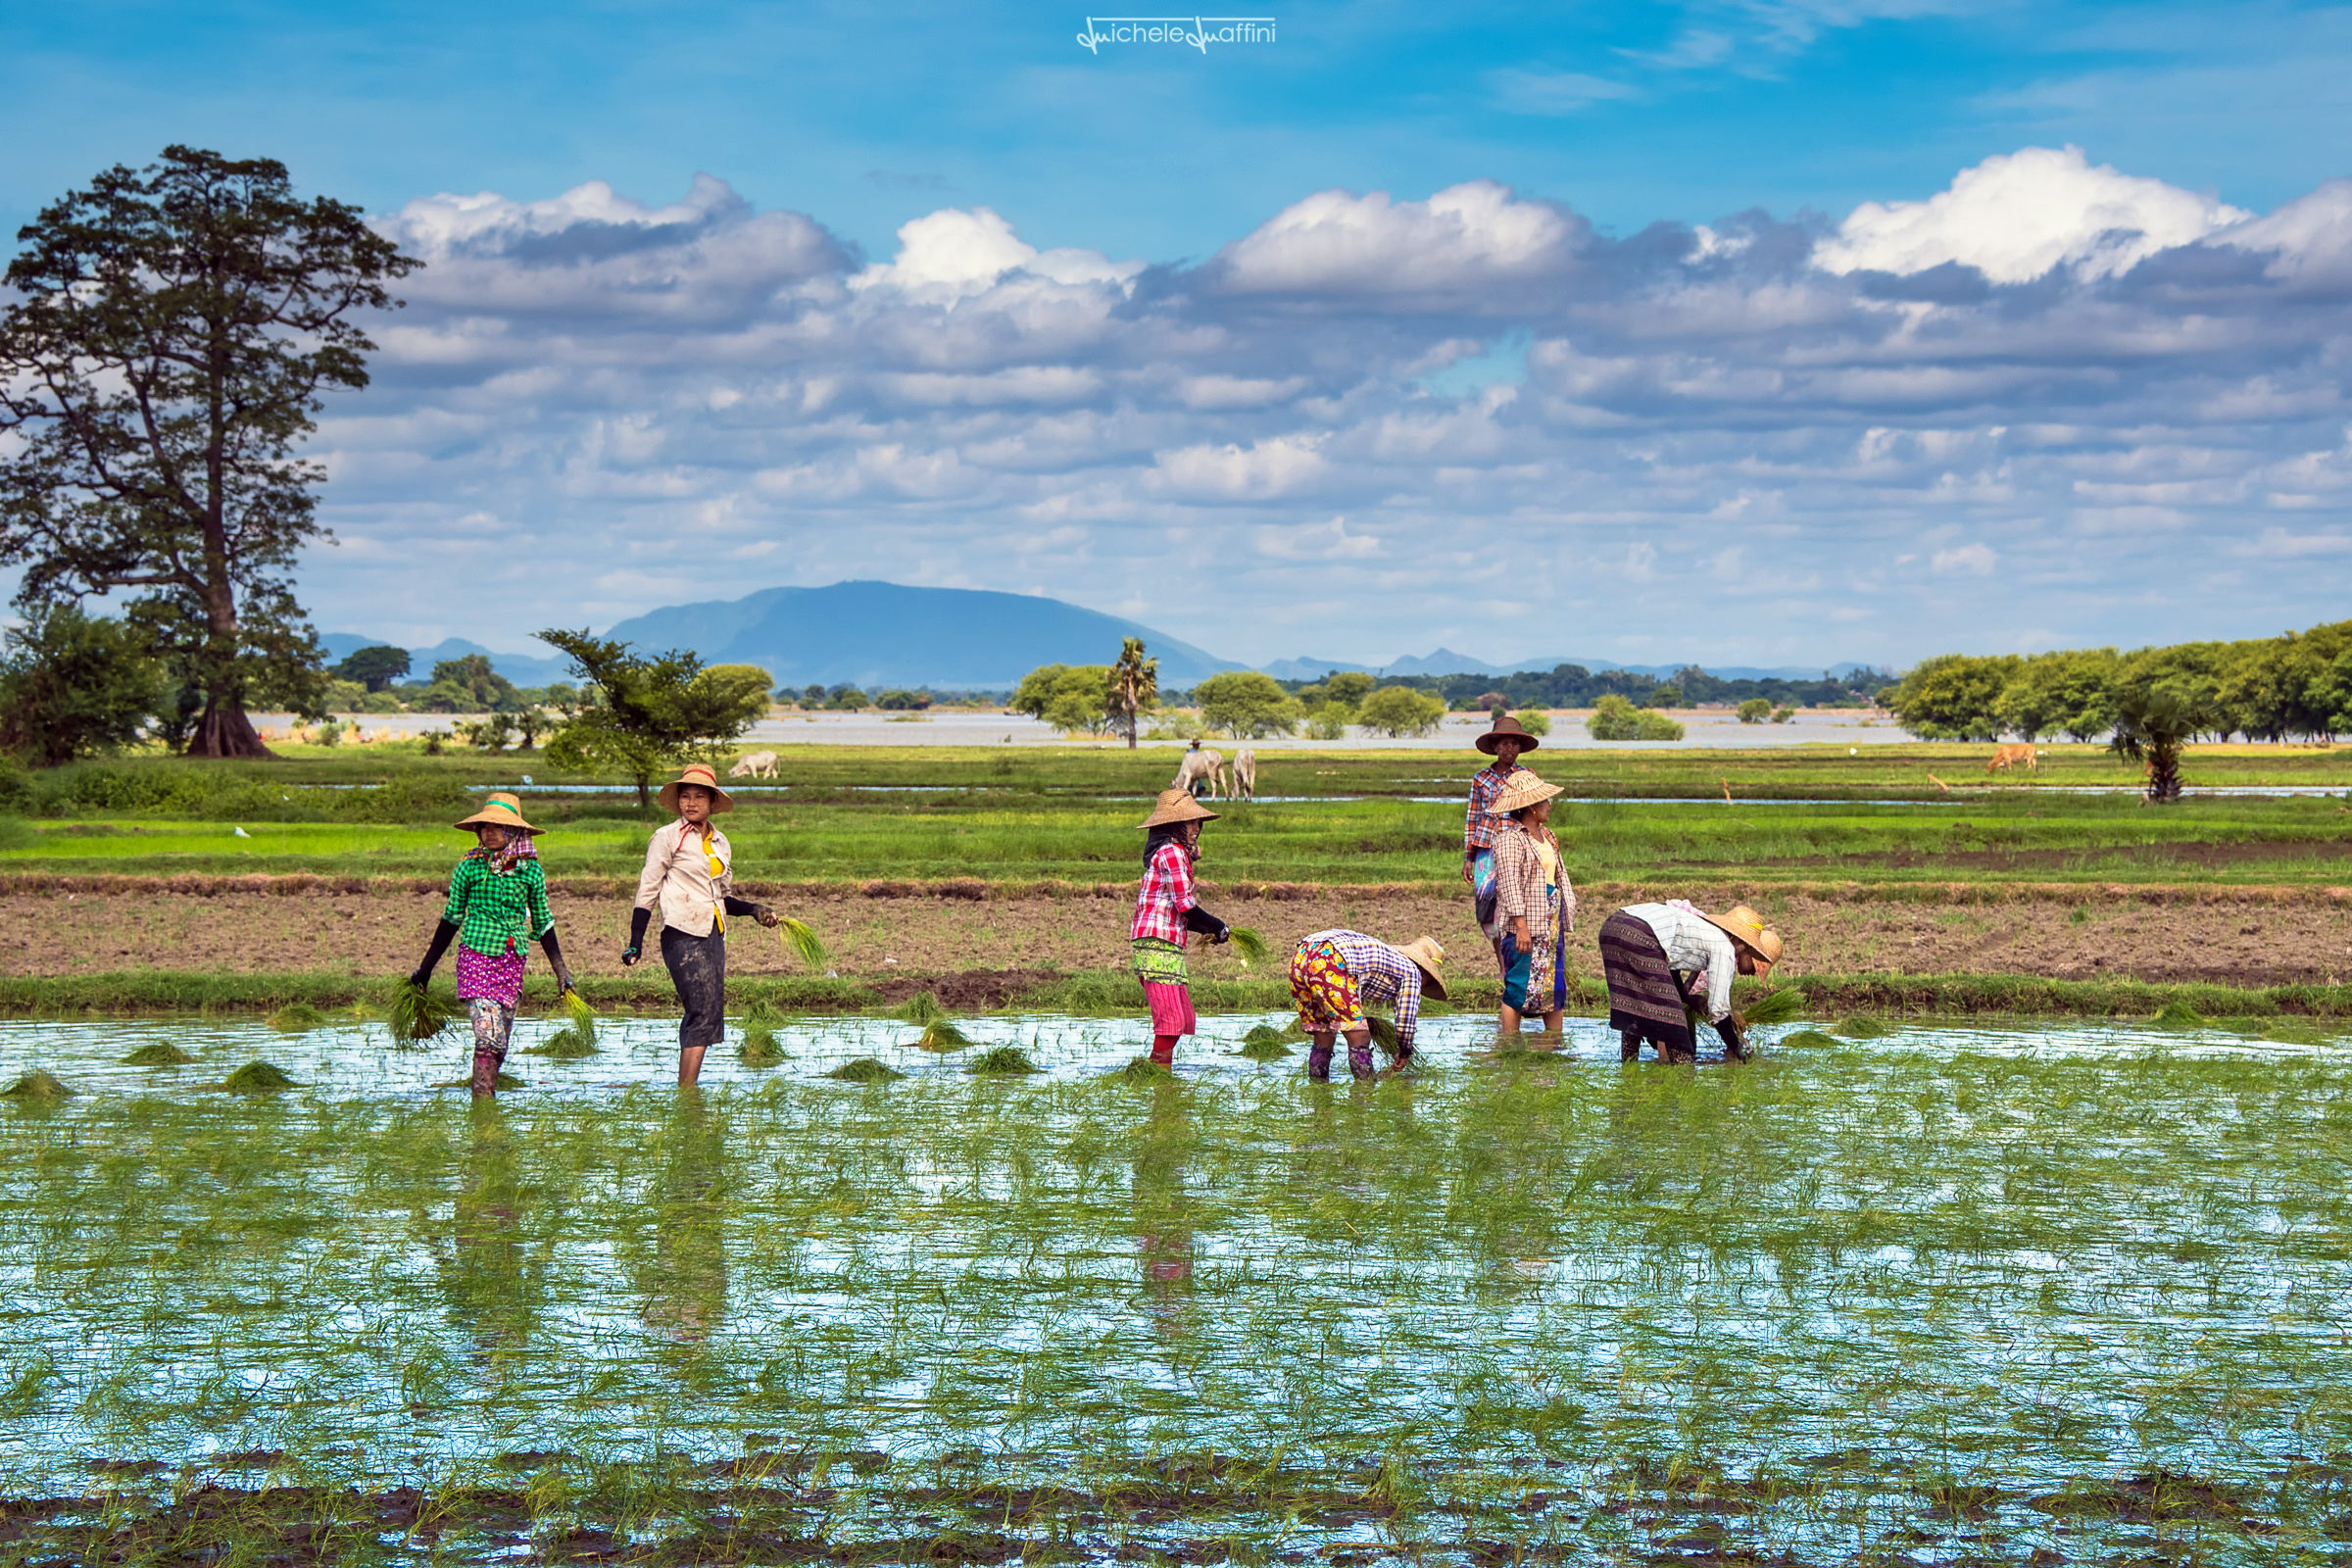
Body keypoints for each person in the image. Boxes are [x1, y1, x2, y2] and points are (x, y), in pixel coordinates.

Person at [623, 762, 782, 1086]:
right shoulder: (666, 838)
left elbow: (722, 897)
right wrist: (635, 940)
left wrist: (755, 910)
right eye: (685, 797)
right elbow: (648, 889)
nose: (691, 803)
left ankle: (688, 1087)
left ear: (712, 803)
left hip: (713, 933)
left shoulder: (720, 843)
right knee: (700, 1009)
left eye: (698, 797)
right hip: (682, 934)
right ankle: (687, 1090)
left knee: (710, 1010)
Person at [409, 792, 575, 1098]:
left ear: (514, 832)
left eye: (498, 827)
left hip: (511, 962)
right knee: (488, 1038)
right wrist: (426, 969)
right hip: (475, 957)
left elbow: (543, 922)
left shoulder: (530, 871)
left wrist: (560, 970)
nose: (490, 832)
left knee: (500, 1044)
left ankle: (486, 1103)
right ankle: (483, 1105)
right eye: (485, 826)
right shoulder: (469, 867)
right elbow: (451, 920)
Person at [1598, 900, 1783, 1064]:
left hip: (1614, 925)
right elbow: (1718, 1012)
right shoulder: (1723, 947)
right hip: (1640, 934)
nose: (1747, 952)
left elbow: (1671, 969)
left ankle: (1628, 1070)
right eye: (1749, 949)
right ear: (1740, 941)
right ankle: (1683, 1074)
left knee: (1634, 1006)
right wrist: (1738, 1048)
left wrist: (1688, 998)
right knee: (1673, 1022)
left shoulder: (1702, 930)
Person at [1131, 786, 1232, 1069]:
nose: (1196, 828)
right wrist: (1218, 925)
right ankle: (1158, 1079)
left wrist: (1210, 930)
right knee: (1170, 1021)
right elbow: (1185, 905)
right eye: (1190, 822)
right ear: (1173, 824)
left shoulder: (1177, 853)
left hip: (1169, 942)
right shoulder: (1171, 853)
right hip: (1156, 942)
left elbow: (1181, 910)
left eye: (1197, 822)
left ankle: (1156, 1073)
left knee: (1183, 1018)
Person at [1287, 930, 1448, 1081]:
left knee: (1324, 1036)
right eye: (1429, 980)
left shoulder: (1391, 960)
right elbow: (1406, 1018)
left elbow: (1348, 999)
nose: (1423, 987)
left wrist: (1368, 1021)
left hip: (1301, 958)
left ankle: (1319, 1095)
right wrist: (1405, 1050)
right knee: (1360, 1037)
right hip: (1330, 959)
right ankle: (1364, 1097)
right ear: (1425, 971)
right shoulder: (1413, 973)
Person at [1486, 770, 1575, 1043]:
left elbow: (1558, 876)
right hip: (1525, 921)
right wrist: (1521, 928)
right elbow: (1510, 886)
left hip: (1550, 919)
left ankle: (1553, 1043)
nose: (1550, 805)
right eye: (1545, 801)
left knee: (1553, 983)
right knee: (1518, 984)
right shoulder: (1508, 841)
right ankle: (1510, 1043)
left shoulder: (1548, 835)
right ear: (1532, 807)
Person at [1463, 712, 1540, 970]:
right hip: (1486, 849)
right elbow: (1472, 817)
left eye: (1514, 744)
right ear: (1495, 747)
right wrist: (1468, 856)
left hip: (1518, 846)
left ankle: (1521, 963)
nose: (1510, 749)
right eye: (1505, 744)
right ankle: (1503, 966)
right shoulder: (1480, 778)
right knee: (1489, 909)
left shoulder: (1526, 775)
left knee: (1517, 903)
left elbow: (1535, 813)